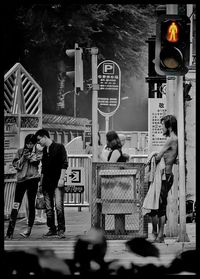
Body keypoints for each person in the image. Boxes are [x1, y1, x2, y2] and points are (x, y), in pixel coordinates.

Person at [5, 134, 42, 239]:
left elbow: (37, 162)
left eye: (31, 143)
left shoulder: (37, 152)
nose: (29, 145)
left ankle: (29, 229)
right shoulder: (20, 151)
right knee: (16, 203)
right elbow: (16, 165)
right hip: (21, 180)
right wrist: (23, 158)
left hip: (33, 180)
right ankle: (10, 231)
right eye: (28, 143)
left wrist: (32, 157)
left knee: (31, 204)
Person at [148, 115, 178, 243]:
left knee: (159, 207)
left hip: (165, 177)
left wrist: (153, 155)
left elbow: (158, 157)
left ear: (169, 126)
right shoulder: (175, 139)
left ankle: (160, 235)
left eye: (162, 125)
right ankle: (158, 234)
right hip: (167, 176)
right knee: (160, 206)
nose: (161, 127)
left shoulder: (170, 140)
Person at [35, 129, 68, 238]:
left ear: (45, 137)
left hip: (57, 181)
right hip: (46, 182)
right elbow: (43, 169)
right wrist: (40, 184)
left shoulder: (59, 147)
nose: (39, 142)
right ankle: (52, 228)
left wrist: (62, 179)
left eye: (39, 139)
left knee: (58, 206)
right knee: (49, 208)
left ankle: (61, 229)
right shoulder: (44, 150)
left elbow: (64, 163)